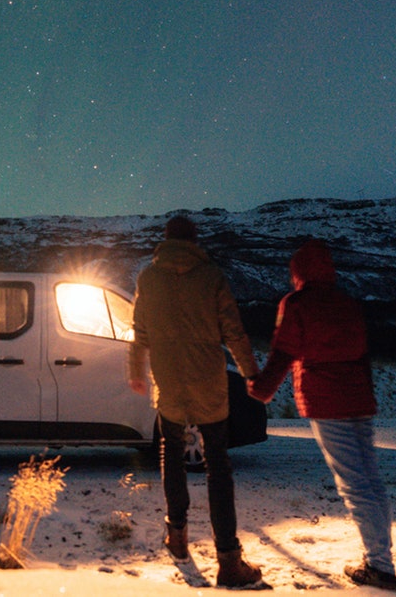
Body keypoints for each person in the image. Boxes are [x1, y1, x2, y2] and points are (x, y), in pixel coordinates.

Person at [247, 239, 396, 592]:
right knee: (370, 479)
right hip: (359, 399)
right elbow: (362, 354)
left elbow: (283, 353)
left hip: (327, 400)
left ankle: (380, 567)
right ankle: (381, 559)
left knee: (354, 484)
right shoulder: (347, 303)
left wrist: (262, 390)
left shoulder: (297, 303)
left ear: (298, 272)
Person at [127, 215, 264, 588]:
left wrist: (136, 371)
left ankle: (177, 537)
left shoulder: (148, 279)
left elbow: (138, 333)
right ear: (194, 240)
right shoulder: (211, 277)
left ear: (166, 241)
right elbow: (233, 332)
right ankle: (228, 561)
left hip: (169, 382)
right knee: (217, 465)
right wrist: (251, 373)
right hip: (208, 381)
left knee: (170, 454)